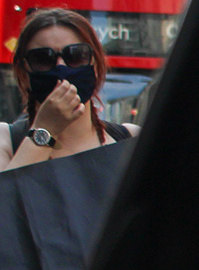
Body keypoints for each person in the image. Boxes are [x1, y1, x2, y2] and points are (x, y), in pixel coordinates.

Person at [3, 9, 135, 170]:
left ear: (96, 65)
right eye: (43, 58)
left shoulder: (131, 139)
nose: (61, 67)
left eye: (76, 55)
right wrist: (45, 130)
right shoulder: (6, 140)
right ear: (24, 73)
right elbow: (9, 194)